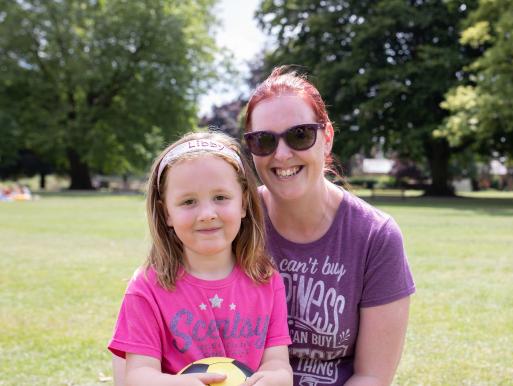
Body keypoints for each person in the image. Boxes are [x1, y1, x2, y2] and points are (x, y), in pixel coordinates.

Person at [242, 67, 416, 385]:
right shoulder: (235, 223)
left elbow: (371, 376)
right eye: (263, 140)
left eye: (299, 135)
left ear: (327, 138)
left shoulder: (375, 236)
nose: (281, 154)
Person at [109, 131, 293, 386]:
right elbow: (137, 377)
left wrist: (273, 379)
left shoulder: (265, 280)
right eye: (188, 201)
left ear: (243, 203)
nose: (207, 213)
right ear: (166, 214)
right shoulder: (147, 288)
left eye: (220, 197)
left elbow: (278, 364)